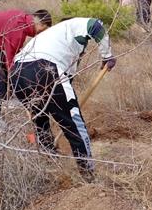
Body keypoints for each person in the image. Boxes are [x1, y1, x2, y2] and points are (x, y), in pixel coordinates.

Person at [11, 17, 116, 176]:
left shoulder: (54, 40)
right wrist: (107, 55)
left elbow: (67, 81)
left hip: (17, 73)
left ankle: (50, 164)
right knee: (74, 125)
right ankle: (88, 174)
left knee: (40, 121)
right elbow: (95, 25)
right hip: (45, 68)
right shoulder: (73, 25)